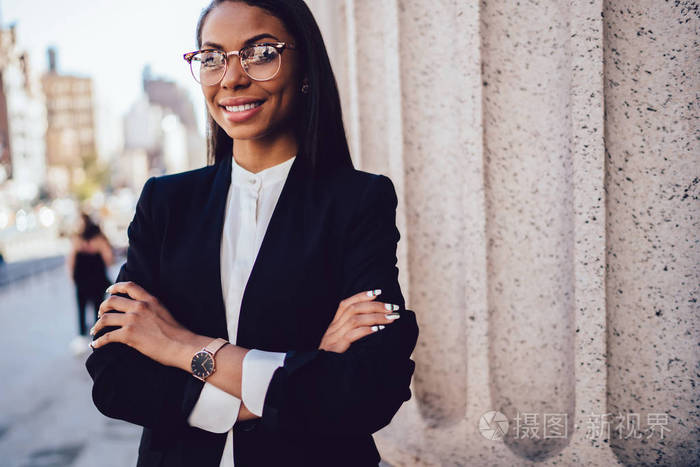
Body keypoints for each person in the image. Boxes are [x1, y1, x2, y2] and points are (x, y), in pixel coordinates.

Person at [85, 1, 418, 466]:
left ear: (304, 67)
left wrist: (178, 345)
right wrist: (298, 370)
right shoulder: (165, 203)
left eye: (261, 53)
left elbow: (370, 387)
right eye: (212, 57)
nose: (232, 78)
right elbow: (114, 377)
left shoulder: (358, 202)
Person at [67, 212, 113, 354]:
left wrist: (72, 277)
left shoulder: (76, 240)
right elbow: (109, 259)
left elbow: (71, 262)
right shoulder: (99, 239)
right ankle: (97, 337)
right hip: (97, 280)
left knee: (83, 308)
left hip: (83, 281)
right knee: (97, 309)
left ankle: (83, 337)